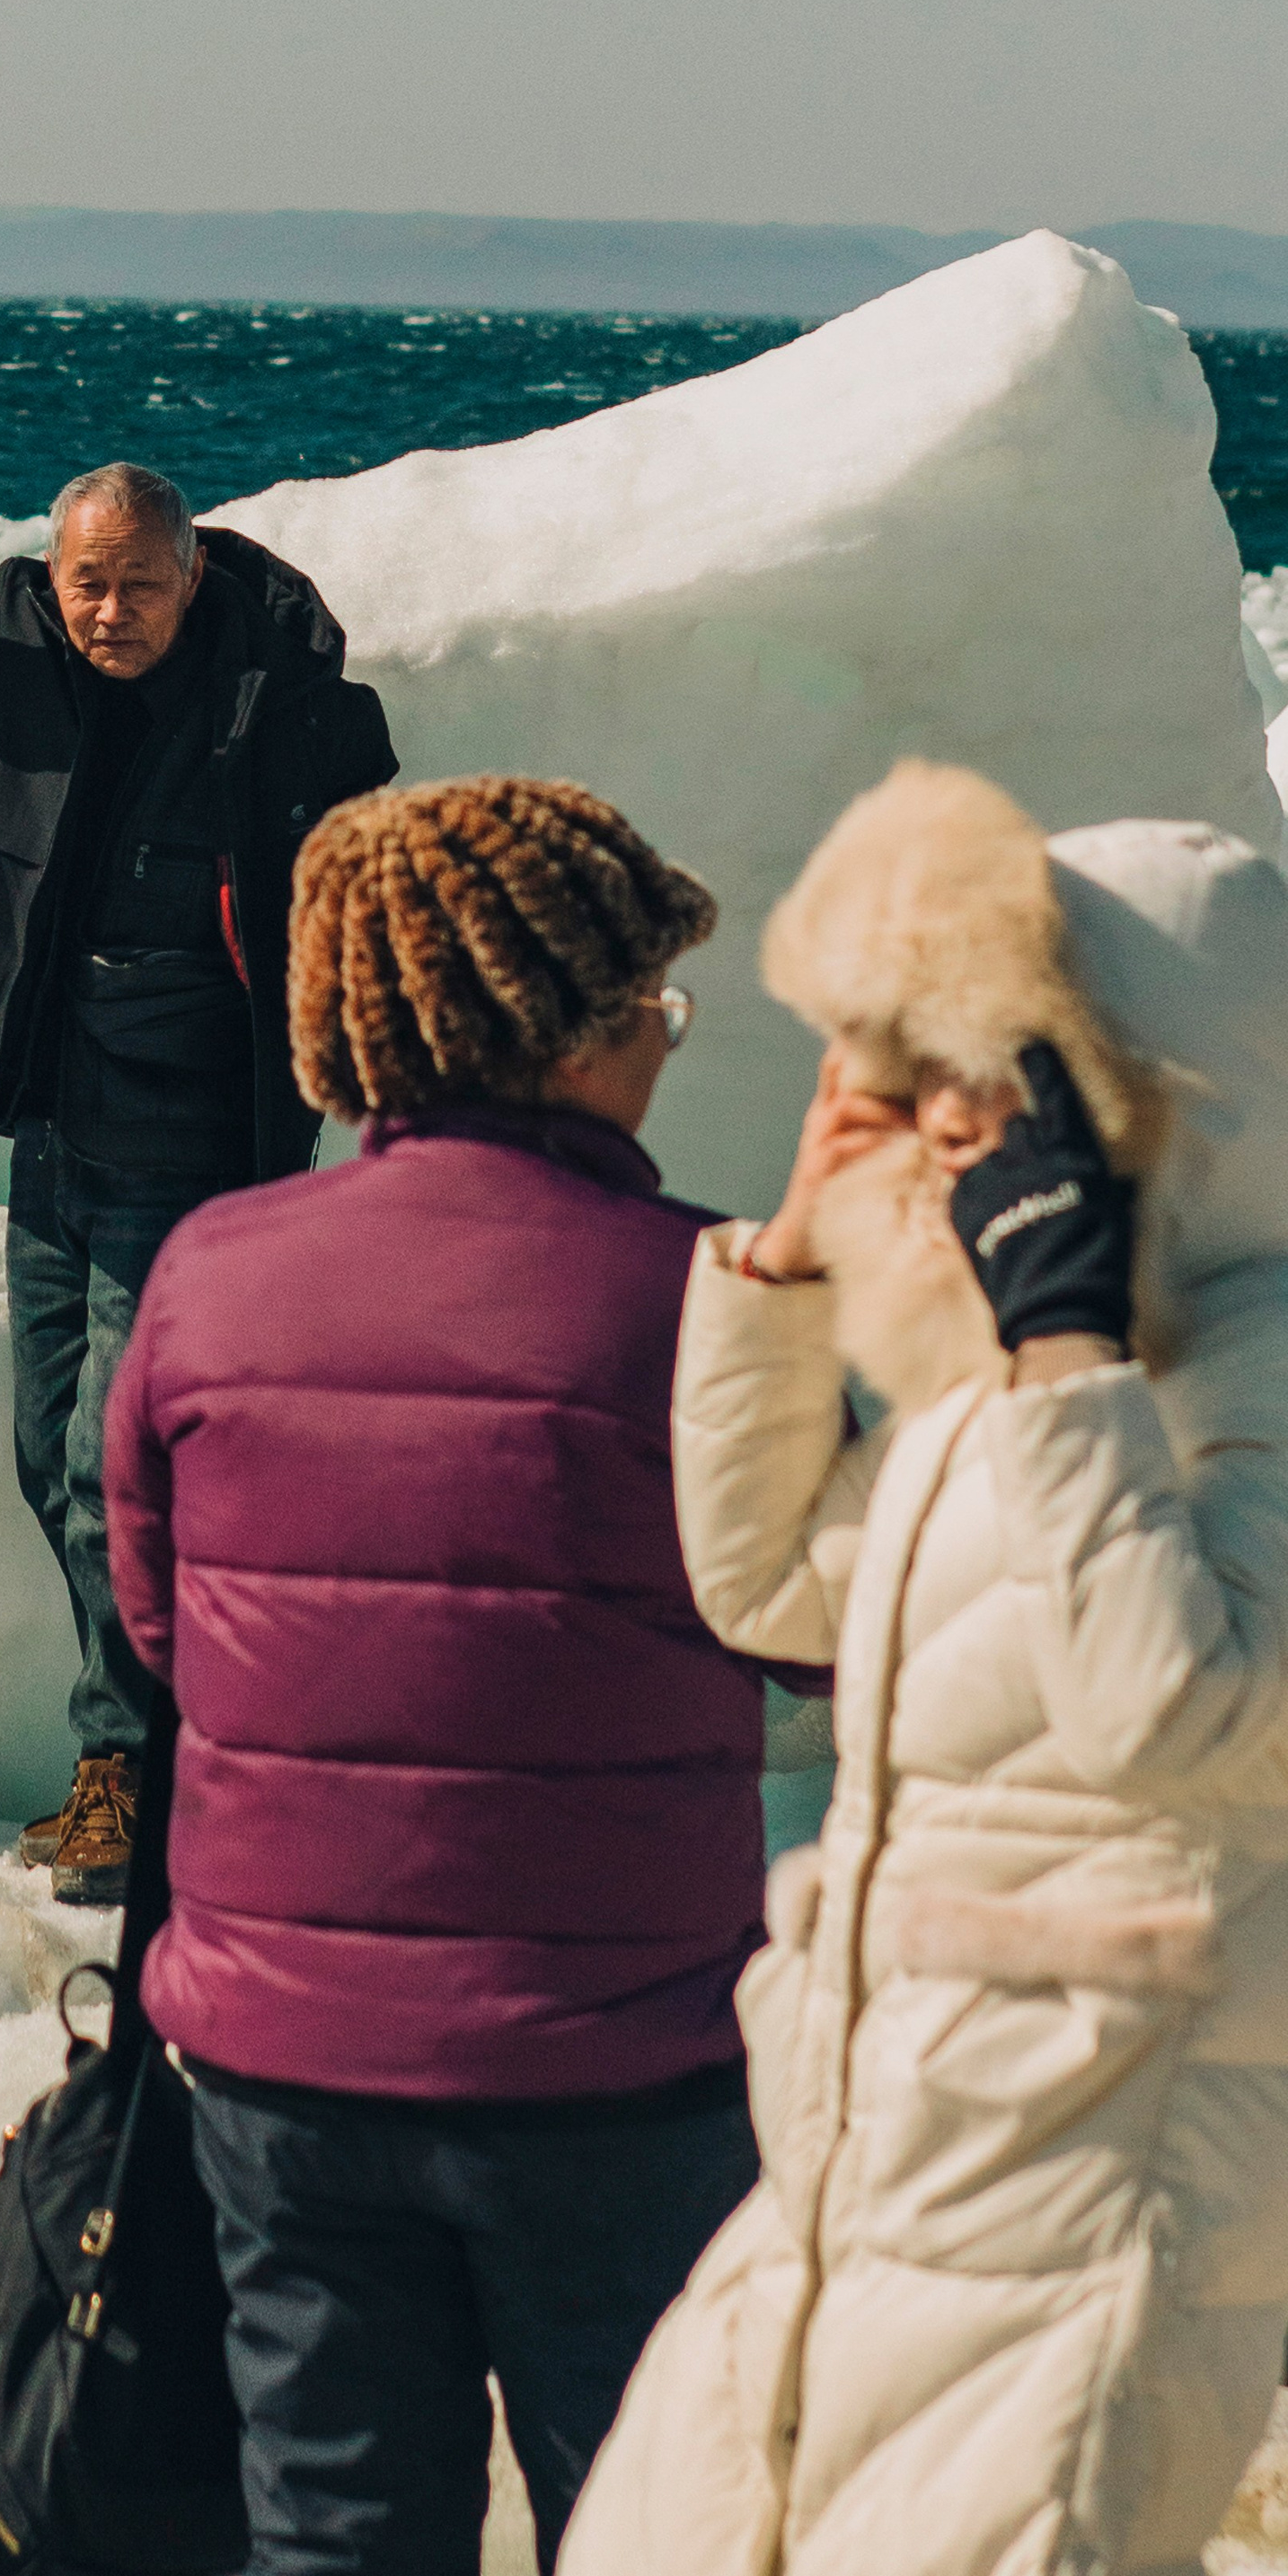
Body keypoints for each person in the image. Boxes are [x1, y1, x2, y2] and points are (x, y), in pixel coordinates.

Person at [562, 760, 1288, 2576]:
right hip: (859, 2191)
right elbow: (769, 1582)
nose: (942, 1124)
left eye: (989, 1076)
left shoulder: (1221, 1375)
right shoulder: (1043, 1374)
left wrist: (1056, 1353)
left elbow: (1183, 1717)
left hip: (1090, 2236)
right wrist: (785, 1267)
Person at [105, 774, 790, 2574]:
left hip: (277, 2067)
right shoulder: (708, 1292)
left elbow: (166, 1630)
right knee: (654, 2527)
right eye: (648, 1004)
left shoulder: (204, 1274)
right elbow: (821, 1620)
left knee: (336, 2531)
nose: (659, 1041)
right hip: (614, 2067)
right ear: (563, 1029)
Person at [0, 366, 396, 1903]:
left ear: (192, 572)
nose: (110, 609)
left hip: (196, 1160)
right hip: (57, 1147)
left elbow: (363, 808)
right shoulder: (21, 666)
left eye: (141, 582)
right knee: (44, 1450)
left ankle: (128, 1778)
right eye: (87, 580)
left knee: (109, 1469)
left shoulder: (267, 702)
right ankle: (160, 1753)